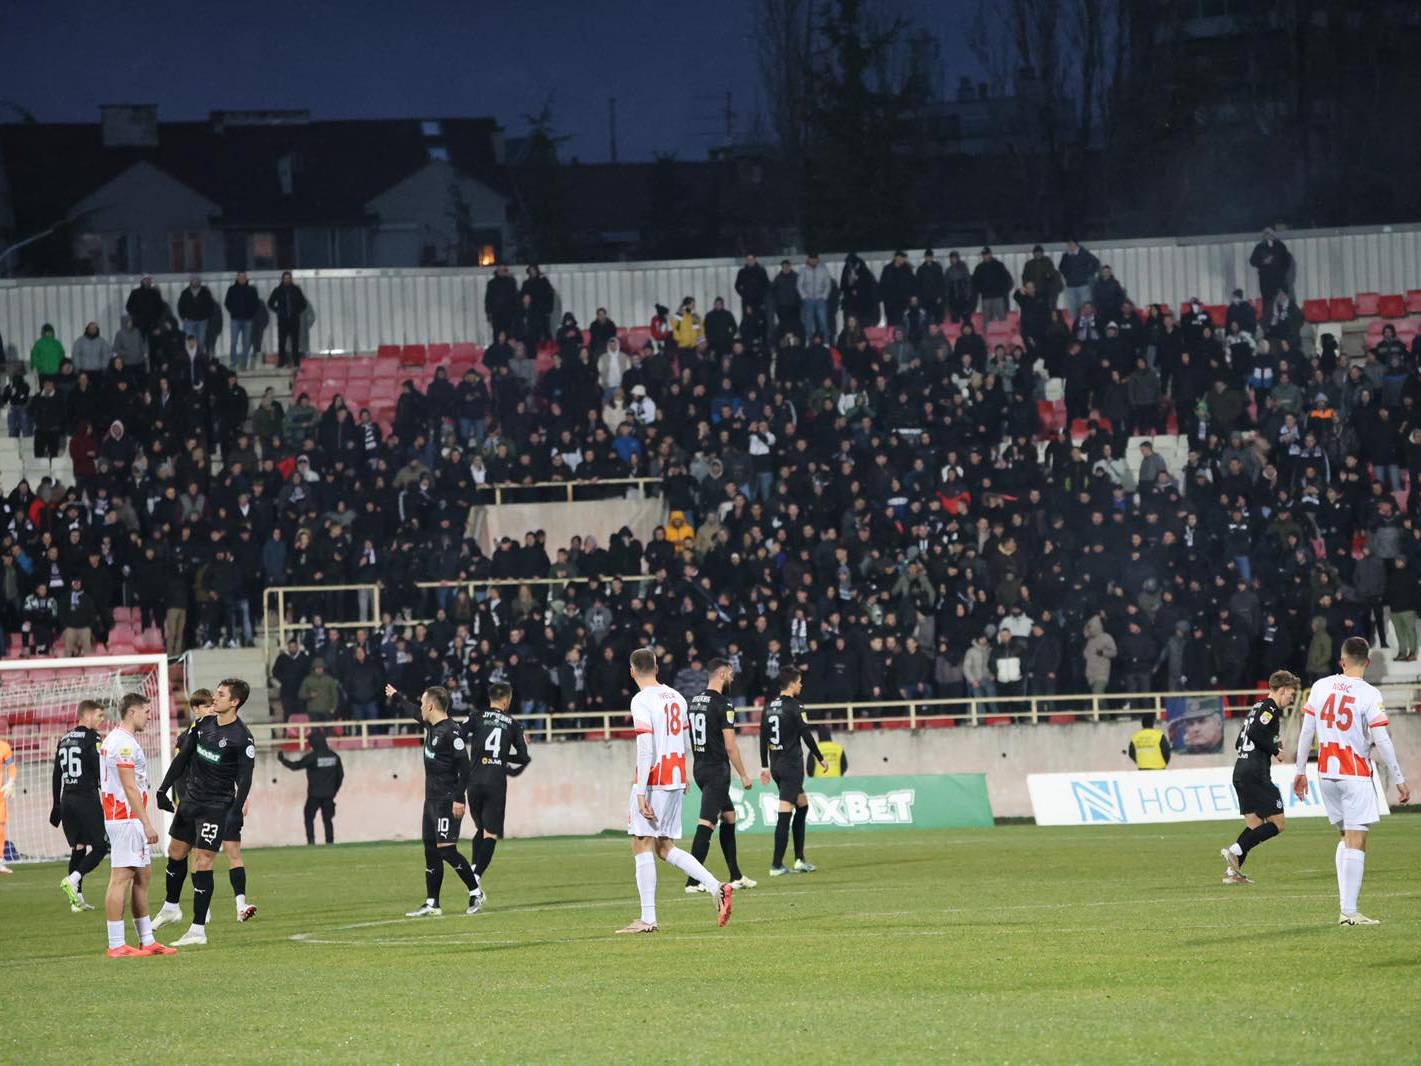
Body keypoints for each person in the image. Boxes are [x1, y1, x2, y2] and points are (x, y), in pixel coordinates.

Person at [1292, 636, 1409, 925]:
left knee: (1346, 837)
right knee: (1357, 840)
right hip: (1354, 773)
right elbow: (1382, 739)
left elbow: (1306, 732)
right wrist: (1398, 777)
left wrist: (1299, 771)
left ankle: (1346, 908)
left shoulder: (1320, 686)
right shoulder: (1368, 693)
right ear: (1367, 662)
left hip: (1325, 774)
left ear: (1341, 661)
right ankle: (1349, 912)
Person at [616, 647, 731, 934]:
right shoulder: (677, 697)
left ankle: (648, 919)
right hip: (675, 776)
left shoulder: (641, 700)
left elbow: (646, 747)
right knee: (664, 846)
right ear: (656, 667)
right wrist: (683, 772)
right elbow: (685, 738)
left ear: (632, 671)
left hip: (654, 779)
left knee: (641, 842)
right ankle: (716, 887)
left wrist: (640, 791)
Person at [153, 681, 257, 946]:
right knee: (175, 852)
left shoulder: (242, 737)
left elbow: (245, 779)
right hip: (191, 800)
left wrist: (235, 811)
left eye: (220, 695)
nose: (214, 698)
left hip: (215, 807)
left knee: (202, 861)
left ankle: (198, 930)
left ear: (234, 702)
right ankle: (171, 907)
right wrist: (163, 789)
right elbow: (182, 758)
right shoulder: (202, 724)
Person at [385, 682, 482, 917]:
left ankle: (476, 891)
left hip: (447, 800)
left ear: (430, 706)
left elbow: (465, 768)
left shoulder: (452, 732)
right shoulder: (431, 725)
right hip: (431, 801)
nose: (419, 706)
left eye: (422, 703)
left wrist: (459, 799)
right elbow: (411, 711)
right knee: (430, 849)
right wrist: (396, 696)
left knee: (446, 849)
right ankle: (432, 903)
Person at [98, 693, 176, 956]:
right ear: (132, 712)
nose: (150, 716)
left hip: (126, 817)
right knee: (120, 879)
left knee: (142, 876)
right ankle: (116, 944)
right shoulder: (123, 744)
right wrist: (147, 823)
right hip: (126, 818)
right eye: (147, 711)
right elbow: (129, 786)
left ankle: (147, 940)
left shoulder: (117, 739)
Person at [682, 658, 756, 895]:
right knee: (707, 823)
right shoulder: (724, 704)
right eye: (731, 674)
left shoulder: (694, 701)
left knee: (729, 816)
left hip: (700, 767)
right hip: (716, 770)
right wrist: (744, 775)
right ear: (722, 674)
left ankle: (736, 875)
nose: (732, 678)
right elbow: (730, 746)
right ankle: (693, 881)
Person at [1220, 671, 1299, 885]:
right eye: (1291, 694)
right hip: (1256, 773)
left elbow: (1240, 741)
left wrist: (1271, 743)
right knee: (1278, 823)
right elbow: (1255, 732)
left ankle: (1232, 873)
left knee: (1255, 825)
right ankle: (1235, 850)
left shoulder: (1257, 707)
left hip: (1241, 771)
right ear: (1283, 690)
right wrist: (1275, 750)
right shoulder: (1270, 708)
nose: (1292, 698)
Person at [462, 681, 530, 905]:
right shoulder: (513, 724)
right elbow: (523, 757)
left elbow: (458, 736)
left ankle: (474, 879)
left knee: (480, 829)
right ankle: (475, 878)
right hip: (495, 783)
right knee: (490, 834)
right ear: (507, 700)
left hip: (473, 781)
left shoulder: (476, 716)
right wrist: (502, 755)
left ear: (490, 698)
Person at [759, 666, 827, 877]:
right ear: (792, 684)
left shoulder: (769, 706)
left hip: (776, 764)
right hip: (791, 765)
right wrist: (820, 757)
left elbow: (763, 737)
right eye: (799, 682)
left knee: (802, 806)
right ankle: (776, 864)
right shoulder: (796, 706)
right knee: (785, 812)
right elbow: (806, 734)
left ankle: (799, 860)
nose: (801, 685)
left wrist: (764, 766)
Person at [50, 700, 109, 911]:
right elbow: (99, 770)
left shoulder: (64, 738)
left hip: (67, 799)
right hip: (86, 799)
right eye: (99, 716)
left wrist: (56, 804)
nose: (102, 720)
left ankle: (77, 900)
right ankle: (73, 879)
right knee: (101, 847)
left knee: (79, 847)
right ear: (89, 715)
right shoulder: (92, 738)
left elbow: (56, 774)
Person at [278, 730, 344, 845]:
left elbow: (296, 766)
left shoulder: (312, 757)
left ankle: (311, 841)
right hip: (329, 795)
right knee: (328, 820)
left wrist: (282, 760)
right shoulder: (334, 756)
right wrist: (334, 791)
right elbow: (340, 776)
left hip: (314, 795)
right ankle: (330, 842)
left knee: (309, 818)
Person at [267, 271, 308, 368]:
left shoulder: (296, 290)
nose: (287, 280)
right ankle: (281, 362)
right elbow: (270, 303)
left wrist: (297, 311)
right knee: (282, 342)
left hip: (294, 320)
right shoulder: (278, 290)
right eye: (285, 278)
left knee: (295, 342)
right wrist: (278, 311)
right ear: (282, 279)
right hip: (283, 320)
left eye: (288, 278)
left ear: (291, 279)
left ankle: (296, 362)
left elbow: (303, 303)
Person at [224, 272, 261, 370]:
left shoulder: (251, 290)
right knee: (234, 342)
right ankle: (234, 362)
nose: (242, 279)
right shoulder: (232, 289)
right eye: (240, 277)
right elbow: (227, 303)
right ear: (237, 278)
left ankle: (244, 364)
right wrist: (233, 312)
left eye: (243, 277)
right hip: (235, 320)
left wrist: (251, 314)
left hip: (248, 320)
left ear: (246, 278)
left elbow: (256, 304)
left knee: (247, 343)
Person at [177, 276, 217, 350]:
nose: (195, 282)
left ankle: (200, 356)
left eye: (197, 280)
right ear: (191, 282)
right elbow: (180, 306)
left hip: (202, 321)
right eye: (194, 280)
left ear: (200, 282)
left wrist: (207, 316)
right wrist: (183, 317)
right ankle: (191, 357)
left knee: (201, 341)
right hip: (189, 321)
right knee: (190, 342)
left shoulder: (206, 292)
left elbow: (211, 306)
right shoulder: (185, 292)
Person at [0, 735, 13, 876]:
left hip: (0, 795)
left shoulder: (4, 747)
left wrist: (11, 782)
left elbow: (11, 766)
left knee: (1, 827)